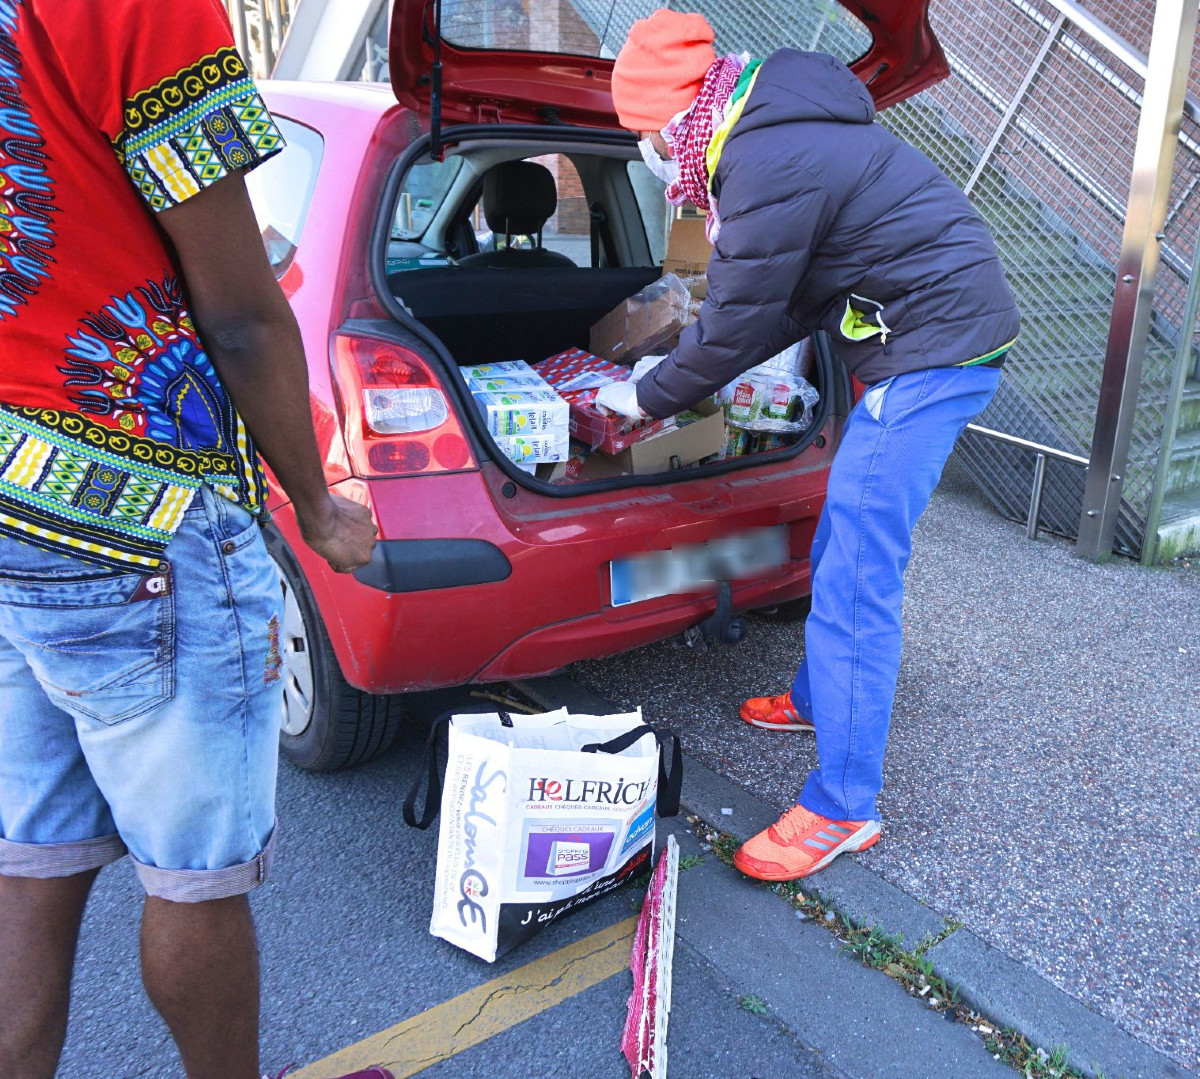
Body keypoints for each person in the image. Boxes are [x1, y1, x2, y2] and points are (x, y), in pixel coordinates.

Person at [0, 2, 389, 1077]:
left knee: (29, 854)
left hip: (9, 501)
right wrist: (318, 506)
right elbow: (243, 316)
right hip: (140, 514)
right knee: (195, 875)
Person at [598, 10, 1020, 882]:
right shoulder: (764, 123)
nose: (651, 154)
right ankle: (821, 699)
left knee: (858, 575)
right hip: (921, 335)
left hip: (932, 350)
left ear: (677, 116)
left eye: (645, 134)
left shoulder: (762, 158)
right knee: (840, 539)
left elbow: (742, 317)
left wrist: (641, 396)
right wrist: (689, 365)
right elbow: (778, 308)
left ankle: (841, 807)